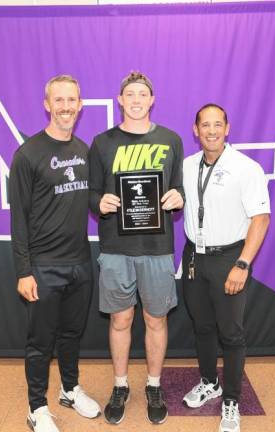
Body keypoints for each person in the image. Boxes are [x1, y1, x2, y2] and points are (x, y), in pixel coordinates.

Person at [88, 71, 184, 425]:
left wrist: (178, 198)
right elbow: (92, 194)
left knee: (155, 319)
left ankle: (154, 385)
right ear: (120, 100)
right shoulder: (102, 142)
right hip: (115, 246)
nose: (137, 99)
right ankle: (120, 385)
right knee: (120, 318)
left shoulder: (171, 140)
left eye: (143, 93)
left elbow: (178, 189)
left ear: (152, 99)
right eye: (130, 94)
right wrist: (101, 202)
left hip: (158, 247)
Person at [9, 74, 101, 432]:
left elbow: (91, 199)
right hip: (43, 267)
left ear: (80, 105)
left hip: (80, 263)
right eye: (58, 100)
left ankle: (69, 389)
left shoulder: (82, 150)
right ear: (47, 104)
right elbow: (19, 218)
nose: (65, 107)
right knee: (40, 343)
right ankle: (36, 408)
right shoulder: (28, 154)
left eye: (71, 100)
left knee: (72, 335)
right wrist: (23, 270)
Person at [181, 104, 270, 432]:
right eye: (205, 125)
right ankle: (209, 382)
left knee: (231, 333)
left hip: (229, 258)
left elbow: (261, 219)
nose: (212, 131)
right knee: (202, 326)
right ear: (196, 129)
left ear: (227, 128)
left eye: (218, 124)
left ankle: (231, 399)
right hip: (194, 257)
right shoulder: (187, 166)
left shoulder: (246, 168)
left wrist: (242, 264)